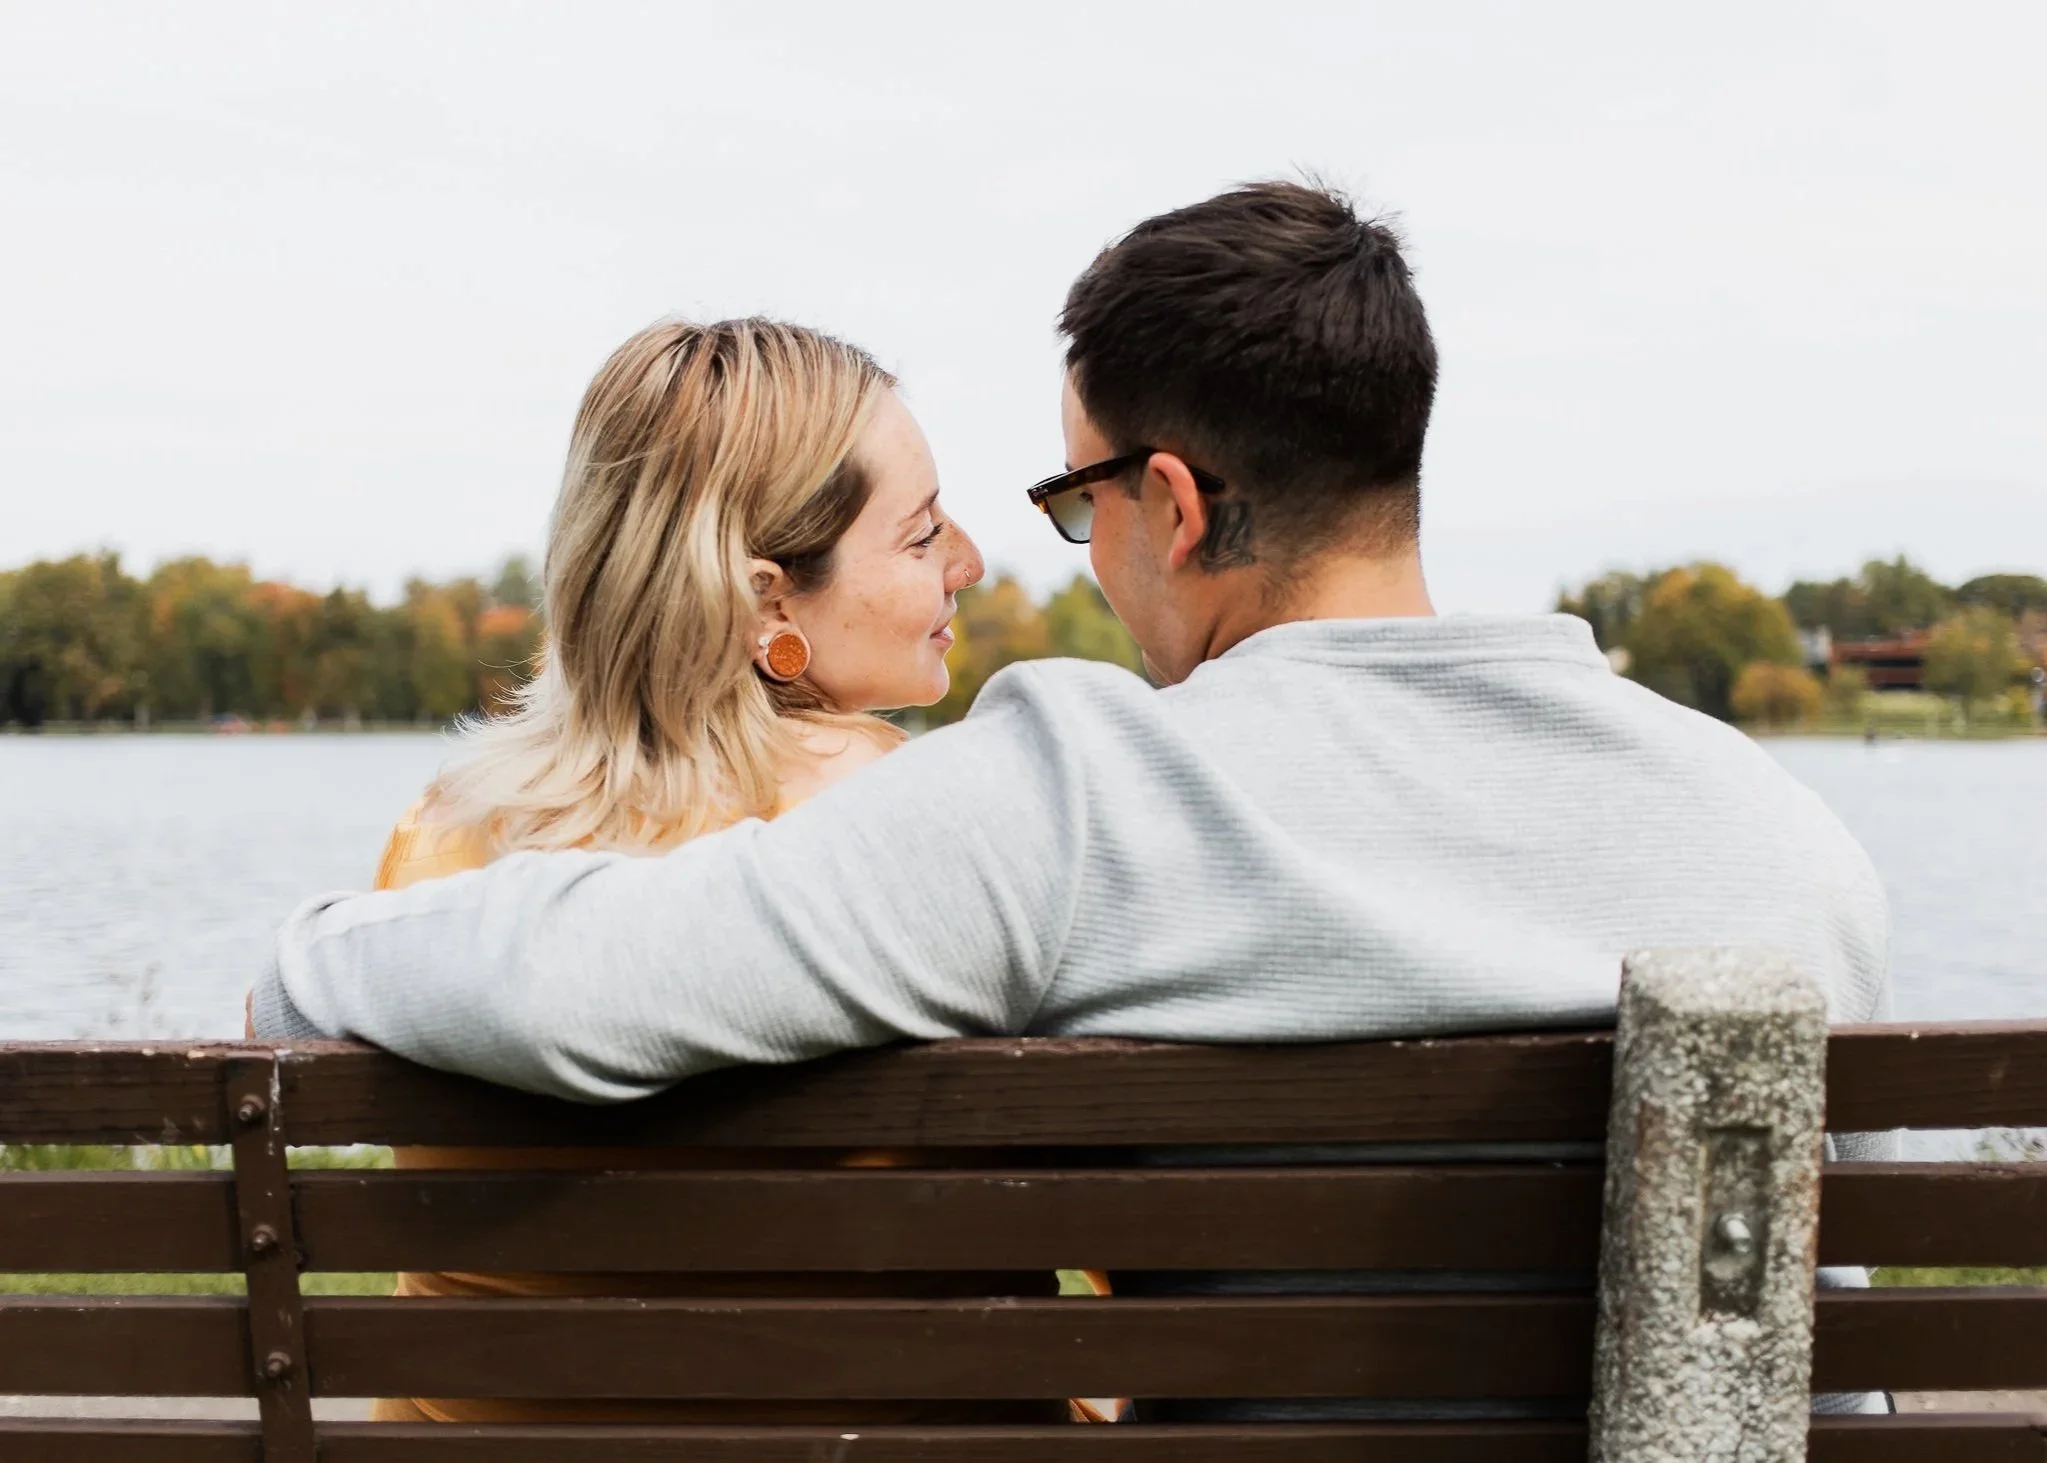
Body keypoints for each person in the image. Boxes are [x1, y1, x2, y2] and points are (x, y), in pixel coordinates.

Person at [254, 182, 1892, 1418]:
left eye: (1070, 500)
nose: (1052, 553)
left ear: (1169, 506)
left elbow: (586, 983)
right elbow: (1819, 1323)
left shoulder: (1088, 799)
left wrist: (314, 959)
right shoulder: (1781, 841)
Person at [318, 315, 1096, 1427]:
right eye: (922, 537)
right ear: (771, 600)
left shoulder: (438, 837)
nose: (969, 560)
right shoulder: (923, 820)